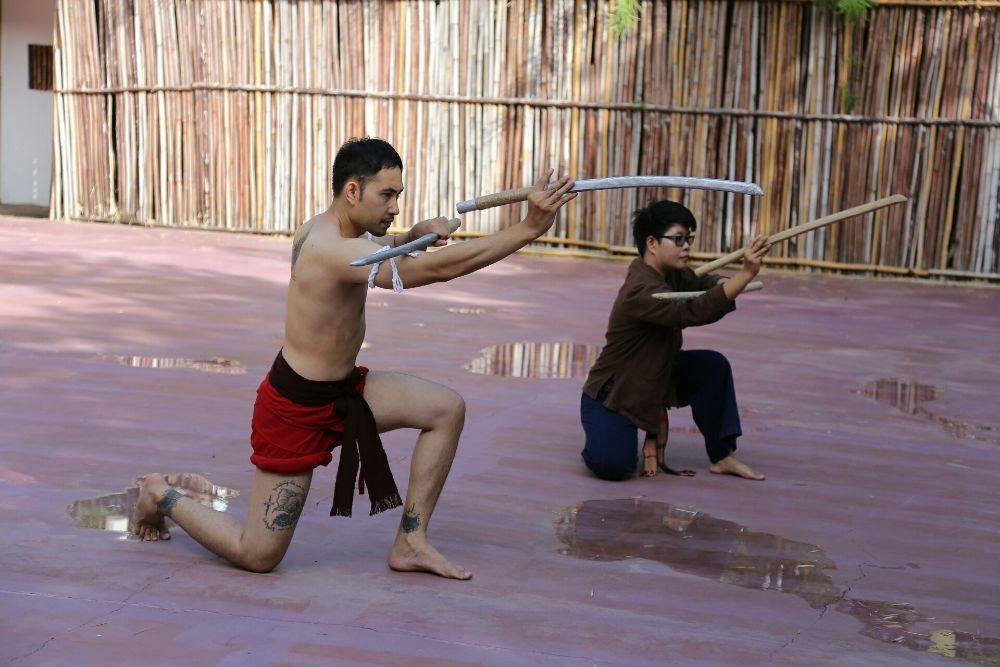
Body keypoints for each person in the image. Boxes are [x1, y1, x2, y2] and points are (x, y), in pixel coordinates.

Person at [132, 137, 576, 580]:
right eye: (387, 195)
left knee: (446, 408)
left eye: (398, 196)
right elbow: (434, 270)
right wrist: (527, 229)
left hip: (345, 392)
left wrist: (410, 236)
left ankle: (411, 542)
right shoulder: (330, 246)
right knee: (258, 555)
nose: (395, 207)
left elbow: (380, 249)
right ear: (351, 191)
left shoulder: (345, 231)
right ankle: (160, 495)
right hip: (295, 410)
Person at [580, 199, 770, 482]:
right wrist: (745, 274)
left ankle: (722, 456)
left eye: (689, 239)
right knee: (613, 465)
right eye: (678, 239)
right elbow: (691, 310)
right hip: (616, 393)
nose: (686, 247)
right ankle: (607, 435)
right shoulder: (642, 289)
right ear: (652, 243)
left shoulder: (671, 275)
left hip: (656, 375)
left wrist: (729, 282)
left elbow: (702, 286)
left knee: (712, 366)